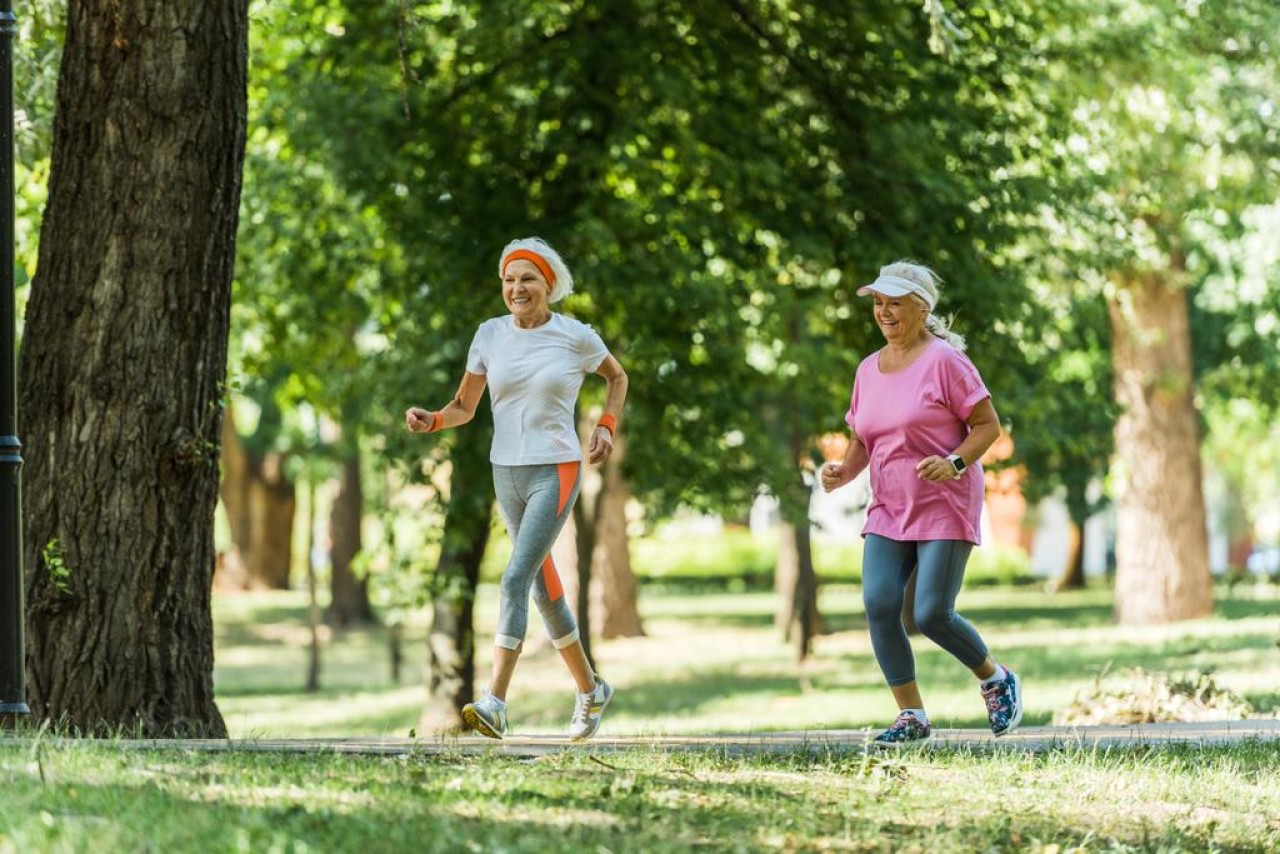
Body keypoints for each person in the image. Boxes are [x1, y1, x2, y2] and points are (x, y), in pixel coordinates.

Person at [405, 237, 628, 741]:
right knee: (543, 591)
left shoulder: (575, 337)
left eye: (527, 278)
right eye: (509, 280)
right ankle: (591, 690)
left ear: (548, 284)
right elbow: (463, 407)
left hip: (557, 468)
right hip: (505, 471)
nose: (516, 288)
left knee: (512, 578)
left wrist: (606, 425)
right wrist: (432, 421)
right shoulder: (489, 335)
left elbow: (617, 377)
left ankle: (495, 701)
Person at [820, 260, 1022, 746]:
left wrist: (954, 462)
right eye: (878, 303)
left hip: (943, 501)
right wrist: (844, 471)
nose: (884, 312)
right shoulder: (868, 368)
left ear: (921, 307)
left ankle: (996, 678)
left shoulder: (945, 362)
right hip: (890, 506)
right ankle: (911, 715)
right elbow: (864, 437)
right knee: (879, 602)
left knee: (931, 613)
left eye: (894, 303)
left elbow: (988, 426)